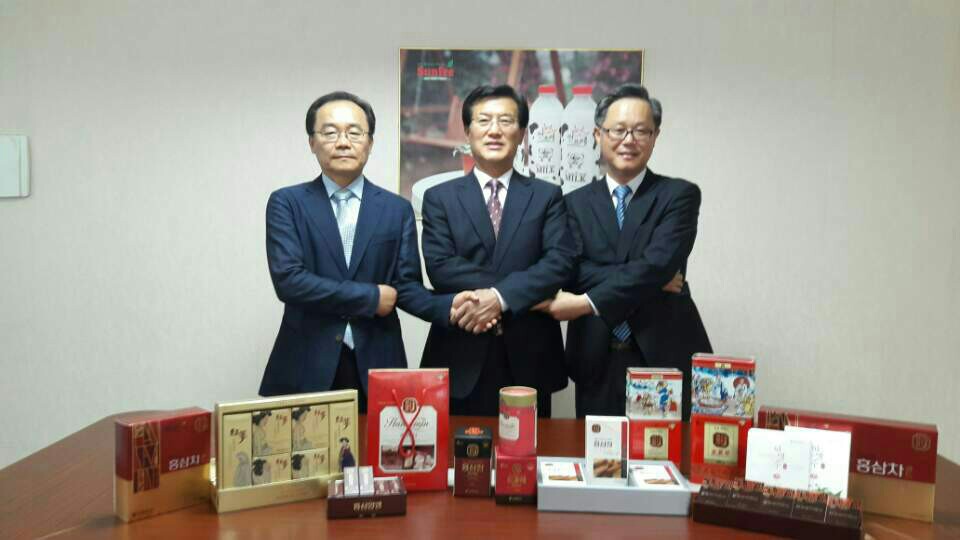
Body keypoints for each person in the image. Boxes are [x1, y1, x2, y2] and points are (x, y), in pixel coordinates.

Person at [259, 91, 474, 412]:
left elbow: (405, 288)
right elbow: (289, 281)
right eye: (330, 132)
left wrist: (452, 306)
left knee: (382, 446)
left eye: (354, 133)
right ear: (312, 142)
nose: (343, 143)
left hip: (378, 363)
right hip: (306, 363)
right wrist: (371, 297)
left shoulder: (396, 209)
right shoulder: (287, 203)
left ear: (370, 143)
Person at [538, 84, 712, 419]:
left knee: (663, 453)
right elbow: (571, 272)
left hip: (663, 355)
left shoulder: (679, 196)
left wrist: (586, 300)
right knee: (597, 450)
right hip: (595, 356)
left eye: (641, 131)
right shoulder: (571, 203)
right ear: (598, 134)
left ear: (655, 136)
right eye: (618, 130)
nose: (628, 140)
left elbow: (658, 264)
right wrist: (650, 279)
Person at [420, 85, 575, 417]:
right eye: (484, 120)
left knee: (530, 450)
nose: (494, 130)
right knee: (459, 450)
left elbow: (558, 263)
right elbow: (441, 267)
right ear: (468, 131)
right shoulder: (439, 198)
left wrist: (499, 297)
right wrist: (510, 291)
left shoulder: (547, 196)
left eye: (505, 121)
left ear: (521, 133)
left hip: (531, 356)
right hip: (460, 352)